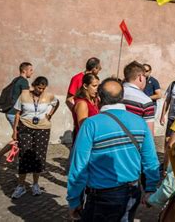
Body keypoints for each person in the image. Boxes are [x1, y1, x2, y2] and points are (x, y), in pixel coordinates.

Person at [67, 78, 160, 221]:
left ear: (98, 97)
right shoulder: (139, 122)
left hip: (102, 195)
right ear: (121, 97)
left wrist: (74, 200)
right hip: (132, 191)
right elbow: (151, 159)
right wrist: (150, 188)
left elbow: (79, 166)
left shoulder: (91, 124)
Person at [11, 76, 60, 199]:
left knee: (39, 156)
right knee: (24, 155)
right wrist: (14, 130)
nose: (41, 90)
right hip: (25, 127)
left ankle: (35, 184)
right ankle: (21, 186)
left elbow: (56, 103)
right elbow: (17, 113)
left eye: (43, 88)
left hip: (43, 129)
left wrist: (50, 115)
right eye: (39, 87)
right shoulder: (24, 95)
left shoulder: (48, 96)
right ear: (34, 85)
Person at [0, 62, 34, 172]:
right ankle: (1, 158)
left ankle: (13, 161)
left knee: (20, 138)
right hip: (15, 113)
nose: (32, 72)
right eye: (30, 70)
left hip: (11, 112)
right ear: (24, 70)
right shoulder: (23, 82)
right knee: (20, 138)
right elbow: (26, 98)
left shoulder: (16, 80)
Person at [122, 61, 156, 134]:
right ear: (140, 77)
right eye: (145, 77)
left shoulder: (113, 94)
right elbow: (149, 134)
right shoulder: (145, 101)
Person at [72, 73, 100, 143]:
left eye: (98, 86)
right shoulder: (82, 103)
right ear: (85, 86)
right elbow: (84, 129)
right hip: (85, 142)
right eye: (94, 86)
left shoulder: (95, 100)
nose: (97, 89)